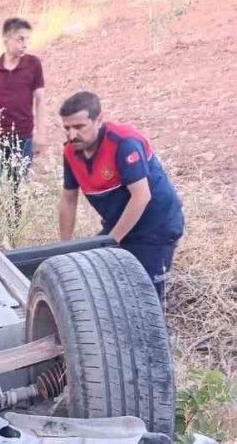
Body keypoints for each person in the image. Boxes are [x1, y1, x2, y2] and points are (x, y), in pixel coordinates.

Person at [58, 91, 184, 300]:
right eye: (67, 128)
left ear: (98, 120)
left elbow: (141, 196)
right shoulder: (71, 152)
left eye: (79, 127)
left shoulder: (124, 143)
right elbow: (68, 200)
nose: (72, 135)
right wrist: (64, 247)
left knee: (146, 298)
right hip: (119, 224)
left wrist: (111, 242)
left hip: (156, 226)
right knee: (98, 284)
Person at [0, 17, 45, 191]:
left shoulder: (33, 64)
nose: (25, 44)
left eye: (27, 39)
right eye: (20, 39)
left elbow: (40, 99)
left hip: (23, 136)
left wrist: (41, 133)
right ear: (6, 40)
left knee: (17, 189)